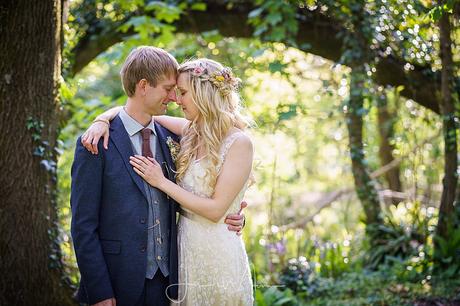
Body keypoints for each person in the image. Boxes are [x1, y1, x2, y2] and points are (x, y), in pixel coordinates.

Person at [71, 47, 245, 306]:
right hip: (117, 282)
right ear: (143, 86)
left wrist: (234, 211)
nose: (174, 98)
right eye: (168, 89)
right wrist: (100, 291)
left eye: (179, 91)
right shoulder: (97, 143)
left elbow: (206, 189)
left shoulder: (176, 138)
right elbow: (83, 225)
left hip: (170, 283)